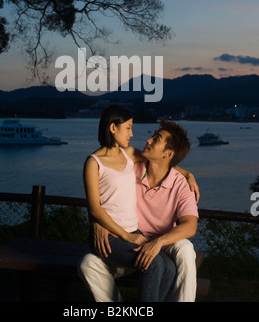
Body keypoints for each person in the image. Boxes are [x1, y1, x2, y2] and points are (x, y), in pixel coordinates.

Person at [80, 105, 199, 302]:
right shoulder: (111, 163)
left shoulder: (130, 156)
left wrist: (187, 173)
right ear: (112, 128)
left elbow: (190, 225)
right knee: (89, 263)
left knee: (176, 258)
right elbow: (96, 205)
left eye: (156, 139)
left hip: (148, 237)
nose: (140, 137)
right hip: (120, 236)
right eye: (128, 128)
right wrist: (98, 223)